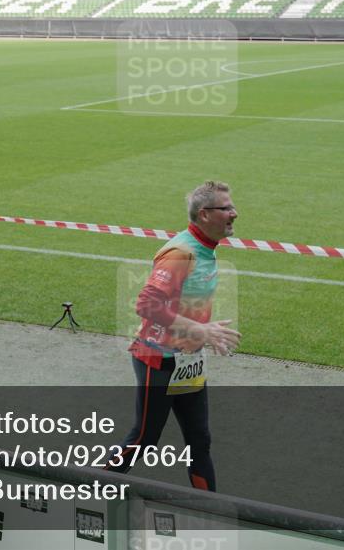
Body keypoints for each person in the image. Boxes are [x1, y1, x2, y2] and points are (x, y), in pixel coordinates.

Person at [105, 181, 242, 491]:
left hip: (187, 361)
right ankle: (85, 490)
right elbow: (147, 304)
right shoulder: (181, 253)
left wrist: (203, 331)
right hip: (158, 360)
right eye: (226, 208)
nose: (234, 213)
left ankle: (208, 511)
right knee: (144, 439)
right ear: (205, 214)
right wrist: (200, 330)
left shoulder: (204, 248)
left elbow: (182, 303)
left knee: (199, 440)